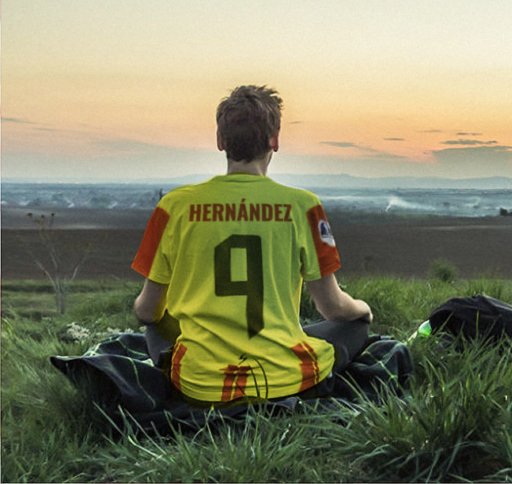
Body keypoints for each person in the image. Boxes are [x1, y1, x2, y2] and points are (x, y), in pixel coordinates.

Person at [131, 85, 372, 408]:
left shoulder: (173, 207)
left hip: (201, 385)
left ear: (220, 141)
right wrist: (363, 309)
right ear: (275, 140)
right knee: (353, 324)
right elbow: (333, 309)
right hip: (284, 379)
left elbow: (147, 311)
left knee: (154, 326)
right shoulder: (305, 206)